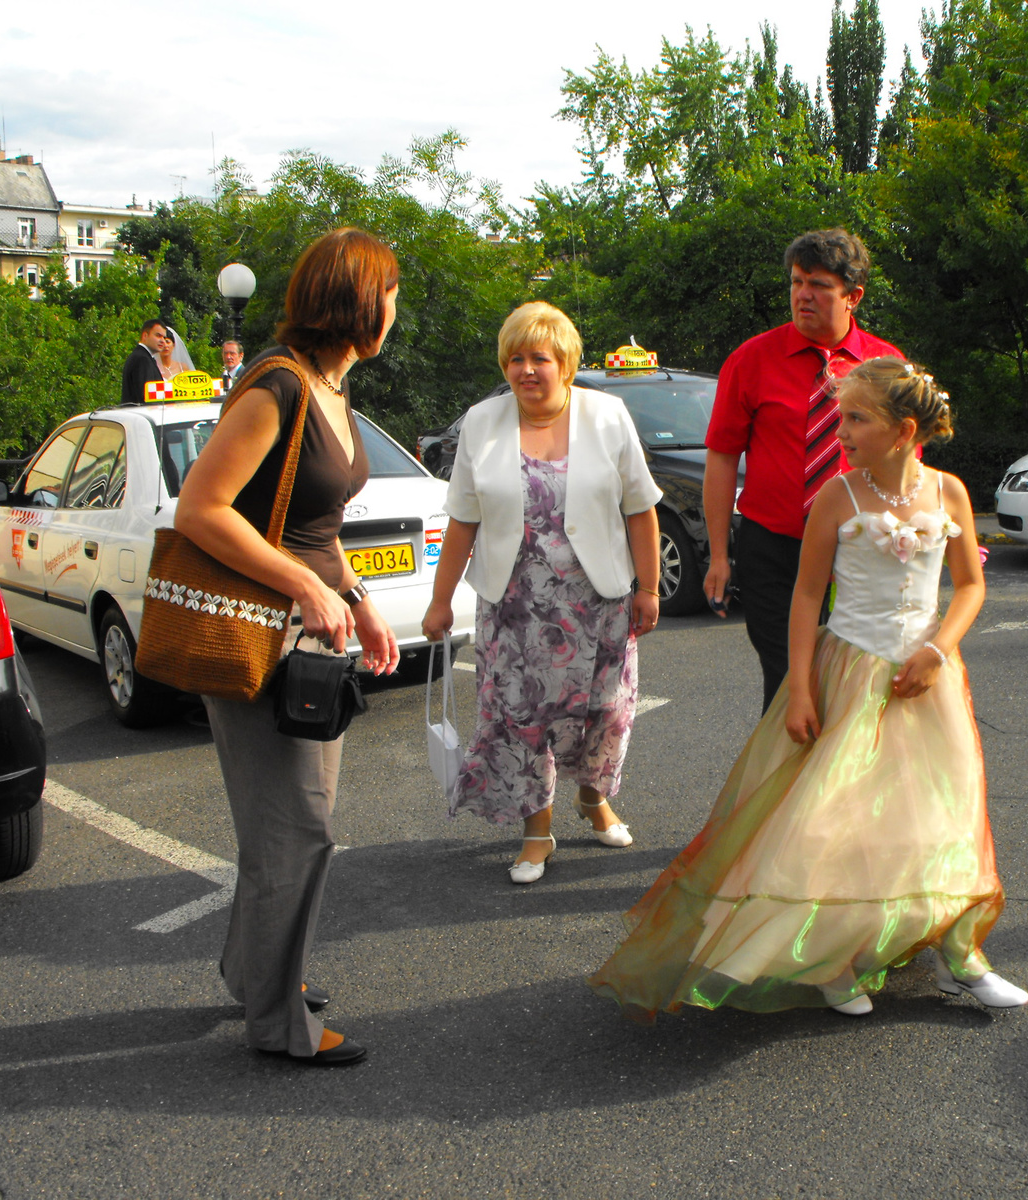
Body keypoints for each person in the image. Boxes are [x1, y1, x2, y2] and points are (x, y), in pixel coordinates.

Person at [590, 357, 1028, 1021]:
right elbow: (804, 595)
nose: (840, 430)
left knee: (940, 820)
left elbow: (969, 584)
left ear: (904, 429)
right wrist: (800, 688)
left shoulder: (951, 493)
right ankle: (830, 958)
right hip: (848, 672)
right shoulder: (838, 497)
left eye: (857, 418)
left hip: (927, 681)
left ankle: (961, 953)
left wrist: (938, 650)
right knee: (833, 821)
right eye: (841, 416)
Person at [173, 227, 402, 1066]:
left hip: (310, 634)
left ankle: (254, 972)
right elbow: (202, 508)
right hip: (259, 637)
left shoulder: (330, 390)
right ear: (354, 301)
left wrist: (357, 598)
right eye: (388, 291)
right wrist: (307, 588)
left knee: (290, 825)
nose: (395, 308)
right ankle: (277, 1023)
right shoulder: (274, 385)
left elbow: (315, 527)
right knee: (295, 829)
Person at [422, 302, 662, 885]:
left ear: (567, 363)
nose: (526, 370)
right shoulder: (482, 421)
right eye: (515, 358)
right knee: (521, 718)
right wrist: (440, 599)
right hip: (514, 608)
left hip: (598, 602)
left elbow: (641, 509)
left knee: (606, 713)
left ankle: (593, 798)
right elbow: (461, 521)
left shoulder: (608, 416)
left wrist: (649, 588)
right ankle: (536, 831)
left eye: (539, 358)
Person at [703, 228, 903, 713]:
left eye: (818, 284)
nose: (802, 295)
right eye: (796, 282)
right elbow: (722, 456)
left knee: (855, 679)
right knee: (791, 682)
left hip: (860, 546)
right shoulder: (751, 361)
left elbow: (905, 461)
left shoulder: (885, 364)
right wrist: (717, 555)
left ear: (853, 296)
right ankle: (786, 783)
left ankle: (840, 784)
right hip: (774, 548)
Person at [120, 319, 167, 405]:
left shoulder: (143, 356)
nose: (162, 341)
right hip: (141, 415)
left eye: (164, 337)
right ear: (145, 336)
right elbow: (146, 397)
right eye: (158, 336)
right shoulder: (142, 359)